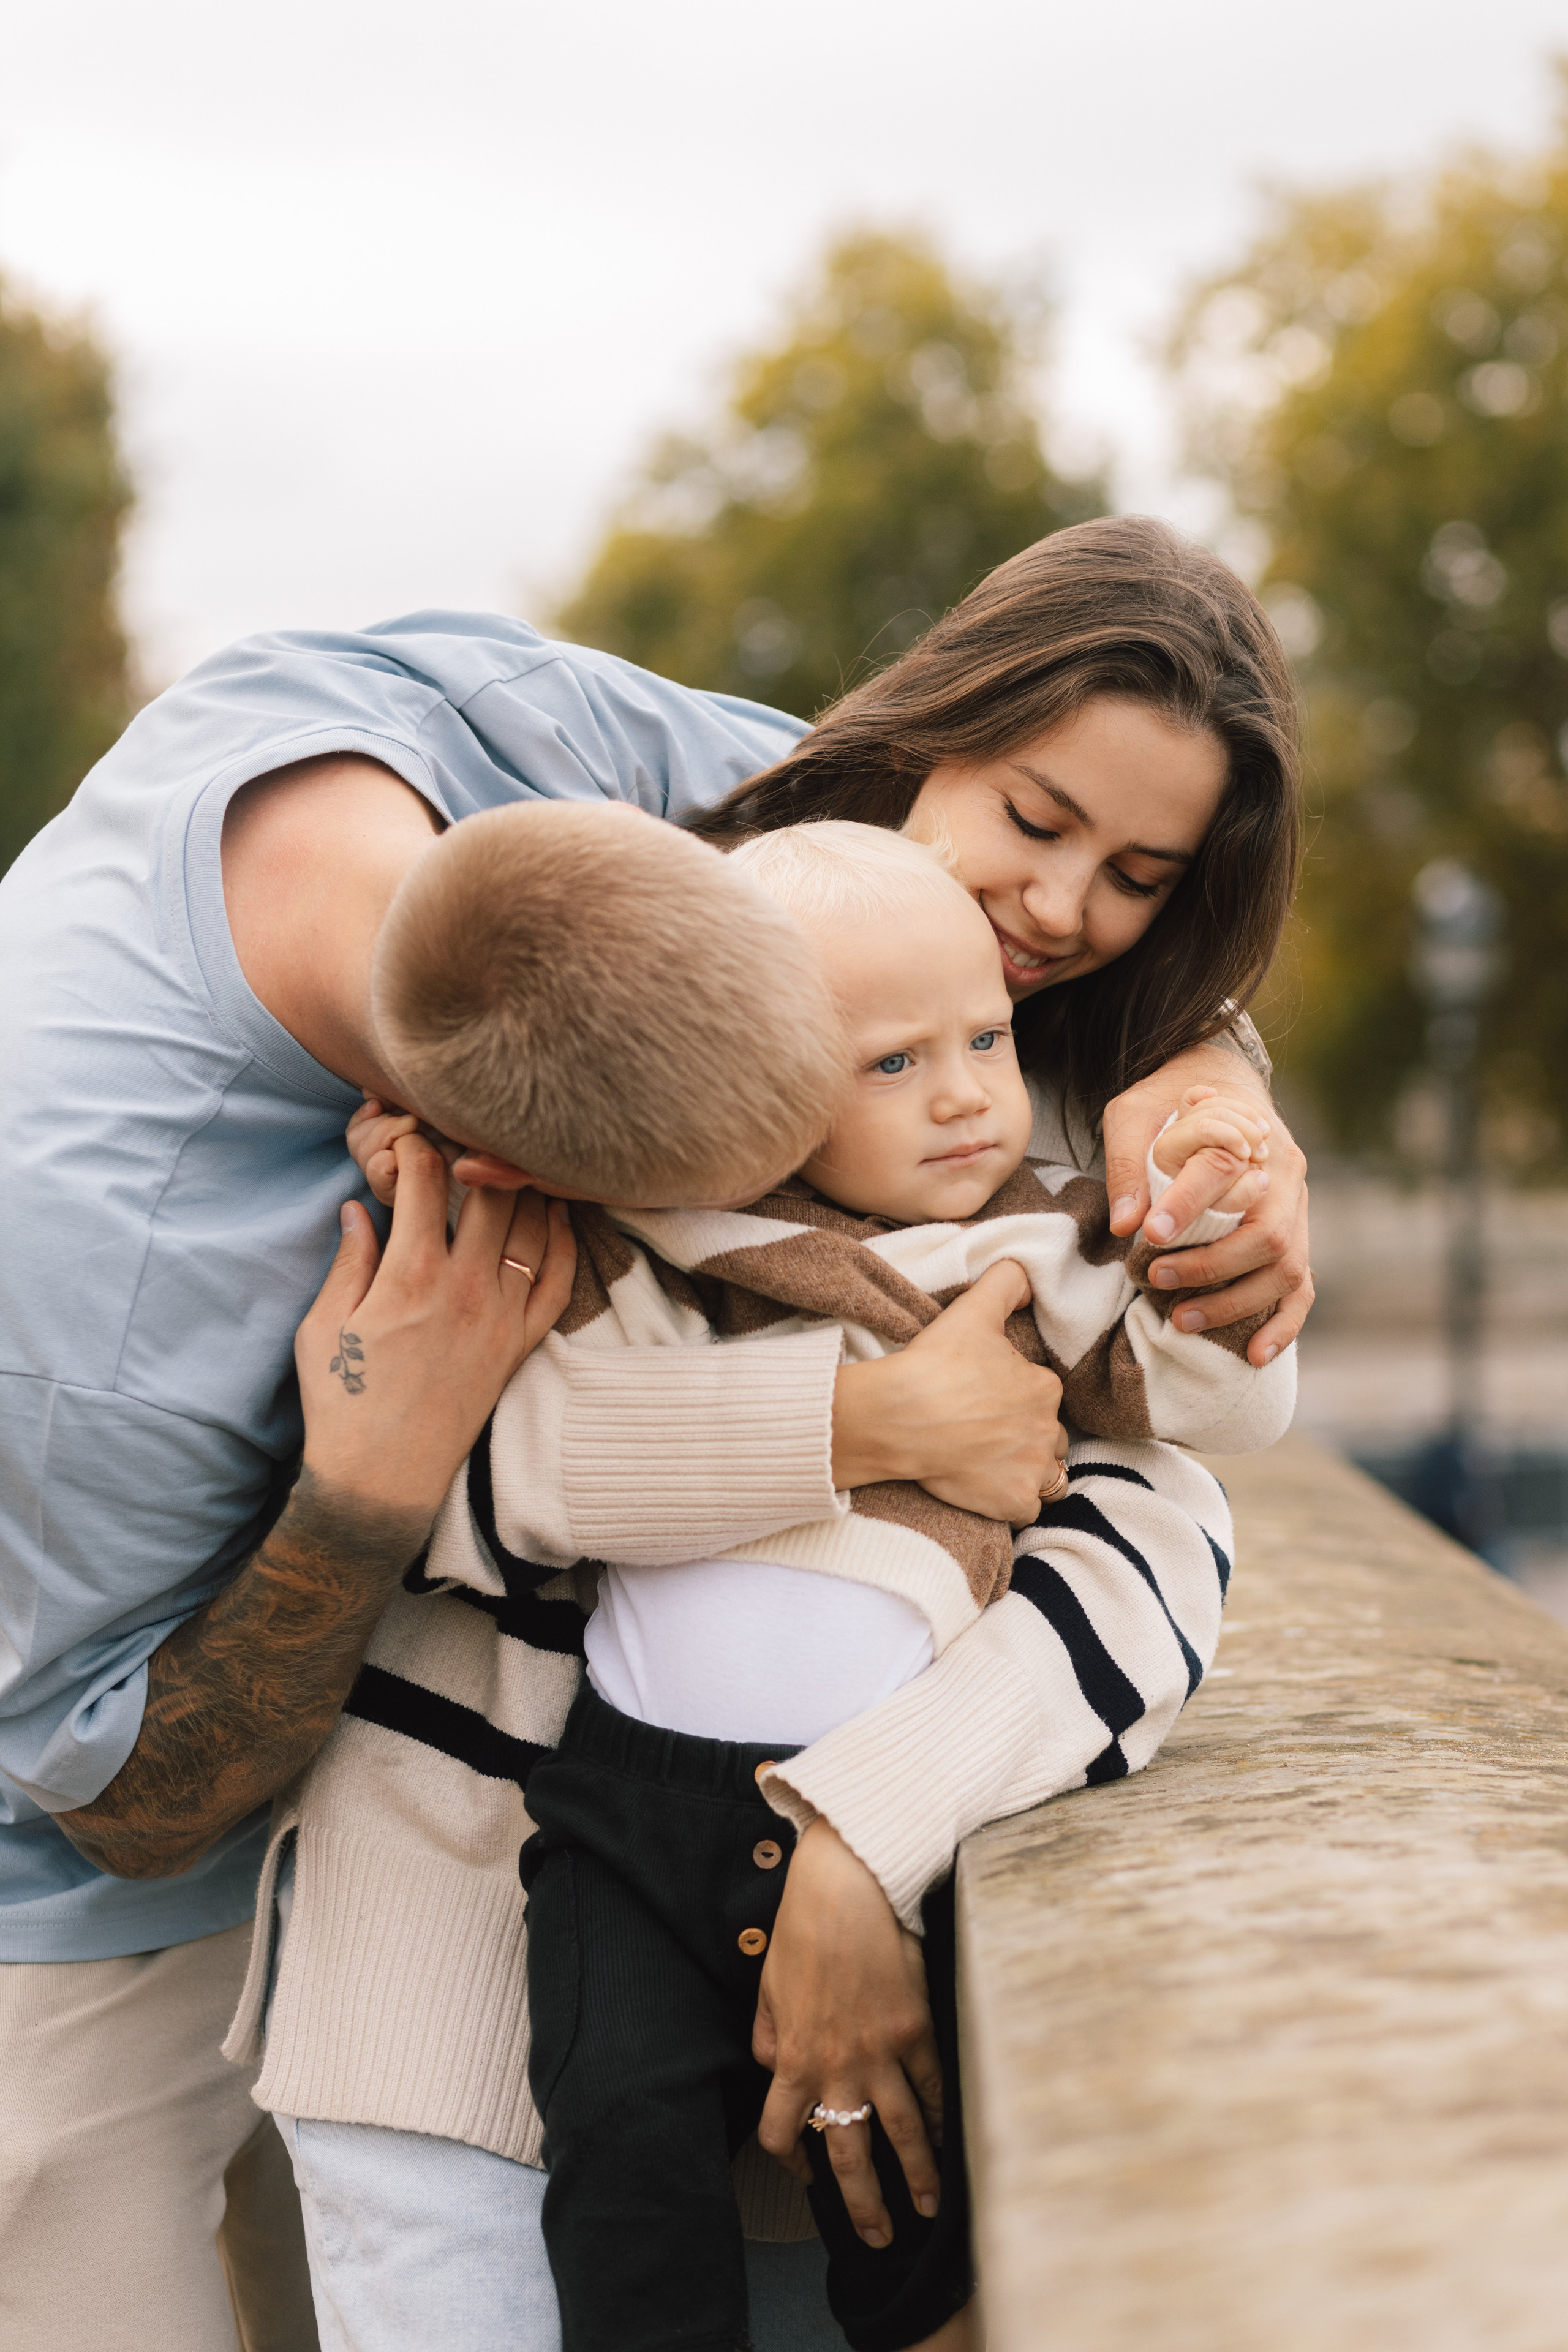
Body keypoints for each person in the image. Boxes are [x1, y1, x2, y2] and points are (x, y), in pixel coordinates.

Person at [0, 515, 1309, 2352]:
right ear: (531, 1171)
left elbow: (1158, 1472)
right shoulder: (90, 1321)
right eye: (877, 1071)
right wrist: (399, 1471)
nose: (1039, 947)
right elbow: (122, 1785)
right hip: (145, 1867)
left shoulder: (575, 765)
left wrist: (1208, 1097)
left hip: (688, 1950)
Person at [275, 817, 1294, 2352]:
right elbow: (482, 1453)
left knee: (908, 2195)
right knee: (623, 2158)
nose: (959, 1092)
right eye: (888, 1063)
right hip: (620, 1806)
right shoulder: (653, 1244)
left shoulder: (1027, 1246)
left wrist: (1209, 1218)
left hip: (879, 1811)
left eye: (985, 1041)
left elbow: (1213, 1418)